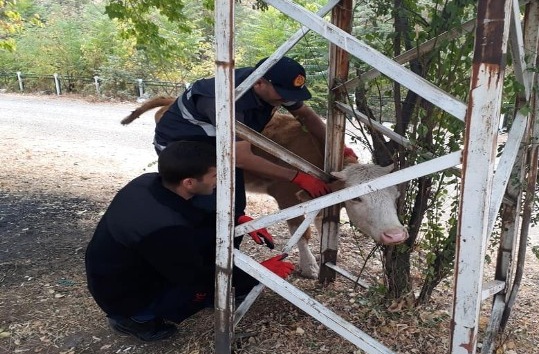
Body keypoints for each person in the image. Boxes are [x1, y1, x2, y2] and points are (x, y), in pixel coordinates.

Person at [85, 141, 295, 342]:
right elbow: (197, 276)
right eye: (214, 175)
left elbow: (194, 214)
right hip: (121, 292)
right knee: (195, 289)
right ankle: (135, 320)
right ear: (189, 182)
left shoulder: (148, 182)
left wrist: (237, 219)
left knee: (205, 243)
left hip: (121, 265)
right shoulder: (166, 229)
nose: (218, 180)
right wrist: (258, 273)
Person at [153, 56, 357, 247]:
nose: (287, 100)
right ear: (259, 83)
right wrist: (297, 177)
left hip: (218, 146)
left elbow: (307, 117)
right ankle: (196, 261)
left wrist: (339, 148)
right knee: (207, 206)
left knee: (235, 208)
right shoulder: (227, 99)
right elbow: (240, 158)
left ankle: (228, 260)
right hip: (182, 150)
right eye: (284, 95)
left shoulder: (274, 88)